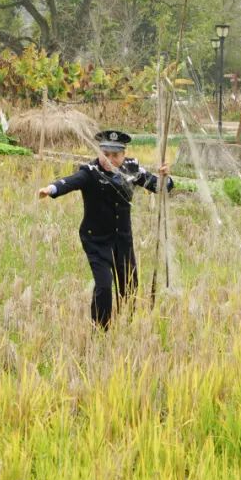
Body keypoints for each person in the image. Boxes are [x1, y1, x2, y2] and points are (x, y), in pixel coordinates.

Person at [37, 130, 173, 330]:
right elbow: (70, 182)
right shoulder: (90, 172)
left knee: (130, 286)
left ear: (124, 155)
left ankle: (127, 324)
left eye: (115, 155)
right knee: (104, 285)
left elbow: (159, 186)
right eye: (105, 154)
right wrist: (50, 189)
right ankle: (100, 330)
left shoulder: (132, 169)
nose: (109, 159)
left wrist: (165, 177)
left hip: (122, 239)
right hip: (96, 240)